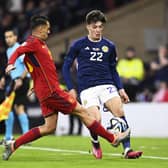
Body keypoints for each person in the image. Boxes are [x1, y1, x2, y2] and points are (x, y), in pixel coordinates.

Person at [3, 15, 130, 161]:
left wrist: (36, 84)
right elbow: (18, 51)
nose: (49, 32)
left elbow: (32, 65)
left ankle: (13, 145)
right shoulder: (34, 43)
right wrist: (10, 63)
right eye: (47, 29)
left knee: (49, 127)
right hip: (52, 92)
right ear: (40, 29)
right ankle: (112, 138)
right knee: (83, 112)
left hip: (44, 91)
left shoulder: (37, 45)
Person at [62, 10, 142, 159]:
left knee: (119, 111)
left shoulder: (109, 46)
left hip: (107, 84)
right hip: (87, 88)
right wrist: (71, 88)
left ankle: (127, 150)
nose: (98, 30)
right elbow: (65, 67)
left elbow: (113, 69)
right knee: (95, 119)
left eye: (100, 27)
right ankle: (95, 143)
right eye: (94, 27)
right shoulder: (78, 45)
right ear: (87, 27)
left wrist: (121, 89)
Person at [0, 29, 30, 145]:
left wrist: (21, 79)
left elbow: (28, 65)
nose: (8, 39)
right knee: (11, 109)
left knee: (16, 109)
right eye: (6, 37)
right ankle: (10, 137)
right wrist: (4, 77)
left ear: (16, 37)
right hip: (14, 81)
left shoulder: (20, 49)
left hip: (21, 81)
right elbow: (12, 67)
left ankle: (23, 137)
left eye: (10, 37)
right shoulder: (9, 51)